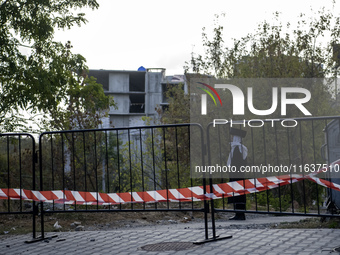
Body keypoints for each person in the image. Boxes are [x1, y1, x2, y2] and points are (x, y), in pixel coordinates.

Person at [227, 127, 247, 220]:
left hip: (236, 175)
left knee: (238, 194)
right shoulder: (238, 148)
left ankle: (240, 214)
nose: (231, 138)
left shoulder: (237, 149)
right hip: (238, 175)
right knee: (238, 194)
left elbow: (236, 163)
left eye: (232, 136)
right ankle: (238, 213)